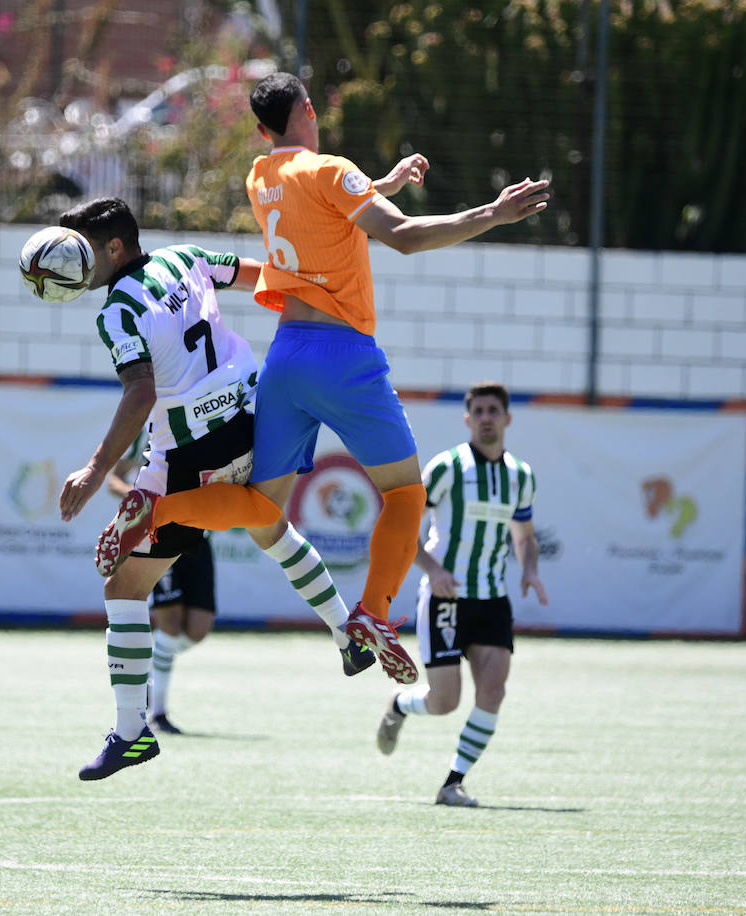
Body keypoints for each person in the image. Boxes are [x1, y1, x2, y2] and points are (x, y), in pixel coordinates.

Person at [96, 72, 551, 688]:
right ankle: (374, 613)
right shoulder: (333, 170)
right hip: (344, 357)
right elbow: (406, 238)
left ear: (261, 130)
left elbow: (318, 221)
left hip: (286, 356)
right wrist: (492, 214)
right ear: (309, 109)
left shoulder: (261, 177)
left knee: (262, 508)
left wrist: (378, 186)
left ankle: (155, 505)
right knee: (404, 495)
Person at [54, 198, 374, 781]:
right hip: (253, 417)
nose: (75, 263)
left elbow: (141, 393)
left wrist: (97, 469)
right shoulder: (185, 258)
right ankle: (346, 630)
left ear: (116, 249)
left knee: (124, 587)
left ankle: (130, 732)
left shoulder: (115, 312)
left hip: (189, 449)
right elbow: (261, 276)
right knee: (269, 526)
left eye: (83, 252)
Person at [373, 382, 547, 807]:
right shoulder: (448, 467)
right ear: (468, 419)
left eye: (494, 410)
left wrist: (529, 569)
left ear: (508, 419)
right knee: (444, 701)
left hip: (492, 600)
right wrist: (432, 571)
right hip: (445, 600)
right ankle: (399, 704)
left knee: (494, 691)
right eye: (479, 411)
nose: (487, 417)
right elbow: (401, 522)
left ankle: (453, 782)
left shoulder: (521, 477)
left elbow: (523, 536)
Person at [105, 431, 216, 735]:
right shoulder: (146, 425)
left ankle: (148, 675)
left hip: (198, 534)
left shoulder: (209, 417)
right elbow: (114, 479)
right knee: (169, 623)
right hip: (158, 534)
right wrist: (141, 501)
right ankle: (158, 712)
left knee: (198, 630)